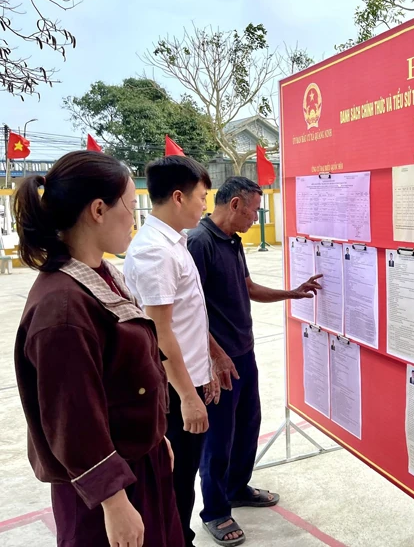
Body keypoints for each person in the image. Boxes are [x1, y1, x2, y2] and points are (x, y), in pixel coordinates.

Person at [13, 151, 183, 546]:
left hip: (138, 464)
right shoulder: (62, 308)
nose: (134, 218)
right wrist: (114, 501)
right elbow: (73, 419)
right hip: (103, 492)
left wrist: (155, 435)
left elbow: (126, 378)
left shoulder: (100, 275)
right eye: (130, 205)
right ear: (98, 210)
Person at [187, 177, 322, 546]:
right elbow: (190, 309)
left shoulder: (232, 241)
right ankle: (215, 511)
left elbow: (248, 288)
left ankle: (236, 487)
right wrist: (215, 355)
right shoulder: (199, 243)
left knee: (248, 425)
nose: (256, 217)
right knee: (218, 438)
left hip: (244, 353)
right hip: (217, 360)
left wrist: (293, 292)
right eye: (253, 210)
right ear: (234, 204)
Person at [124, 155, 219, 547]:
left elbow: (186, 319)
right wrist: (188, 397)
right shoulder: (155, 252)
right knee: (173, 485)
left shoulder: (174, 243)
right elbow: (160, 332)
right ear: (178, 197)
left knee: (183, 480)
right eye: (202, 197)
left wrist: (208, 366)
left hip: (187, 382)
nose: (205, 206)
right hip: (172, 393)